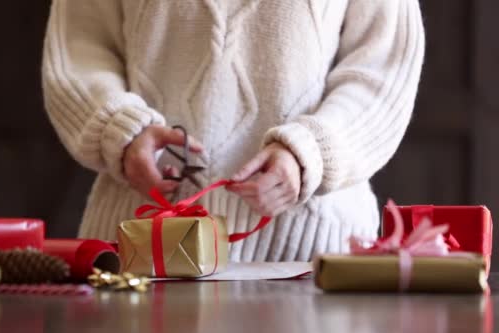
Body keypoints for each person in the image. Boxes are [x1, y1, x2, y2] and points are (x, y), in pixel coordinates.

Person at [42, 0, 425, 262]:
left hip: (313, 258)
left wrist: (310, 154)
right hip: (143, 252)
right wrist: (120, 133)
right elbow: (78, 52)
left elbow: (383, 69)